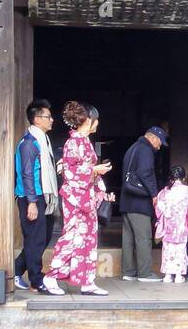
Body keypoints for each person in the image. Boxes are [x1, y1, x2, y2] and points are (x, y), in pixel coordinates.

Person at [43, 102, 115, 296]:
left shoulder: (84, 141)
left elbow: (85, 171)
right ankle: (51, 276)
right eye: (96, 119)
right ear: (88, 120)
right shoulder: (73, 142)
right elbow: (70, 171)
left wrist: (99, 182)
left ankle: (87, 281)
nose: (97, 123)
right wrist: (94, 170)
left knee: (88, 239)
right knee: (72, 238)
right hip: (76, 199)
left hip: (86, 197)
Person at [13, 99, 58, 293]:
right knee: (35, 239)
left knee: (41, 238)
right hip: (32, 197)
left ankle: (15, 270)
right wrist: (31, 202)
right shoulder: (29, 143)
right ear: (37, 119)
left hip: (43, 197)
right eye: (48, 117)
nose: (52, 120)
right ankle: (36, 281)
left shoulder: (43, 140)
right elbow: (27, 174)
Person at [119, 126, 168, 283]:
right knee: (143, 237)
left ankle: (128, 272)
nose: (160, 146)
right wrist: (154, 193)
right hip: (139, 201)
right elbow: (145, 173)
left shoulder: (133, 148)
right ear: (153, 138)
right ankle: (145, 273)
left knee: (128, 238)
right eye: (160, 142)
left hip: (127, 200)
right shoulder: (146, 150)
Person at [155, 165, 188, 283]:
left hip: (168, 226)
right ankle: (179, 275)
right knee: (180, 249)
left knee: (168, 249)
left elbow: (159, 209)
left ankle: (168, 275)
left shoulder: (164, 192)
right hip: (181, 226)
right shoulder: (187, 191)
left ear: (170, 178)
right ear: (183, 178)